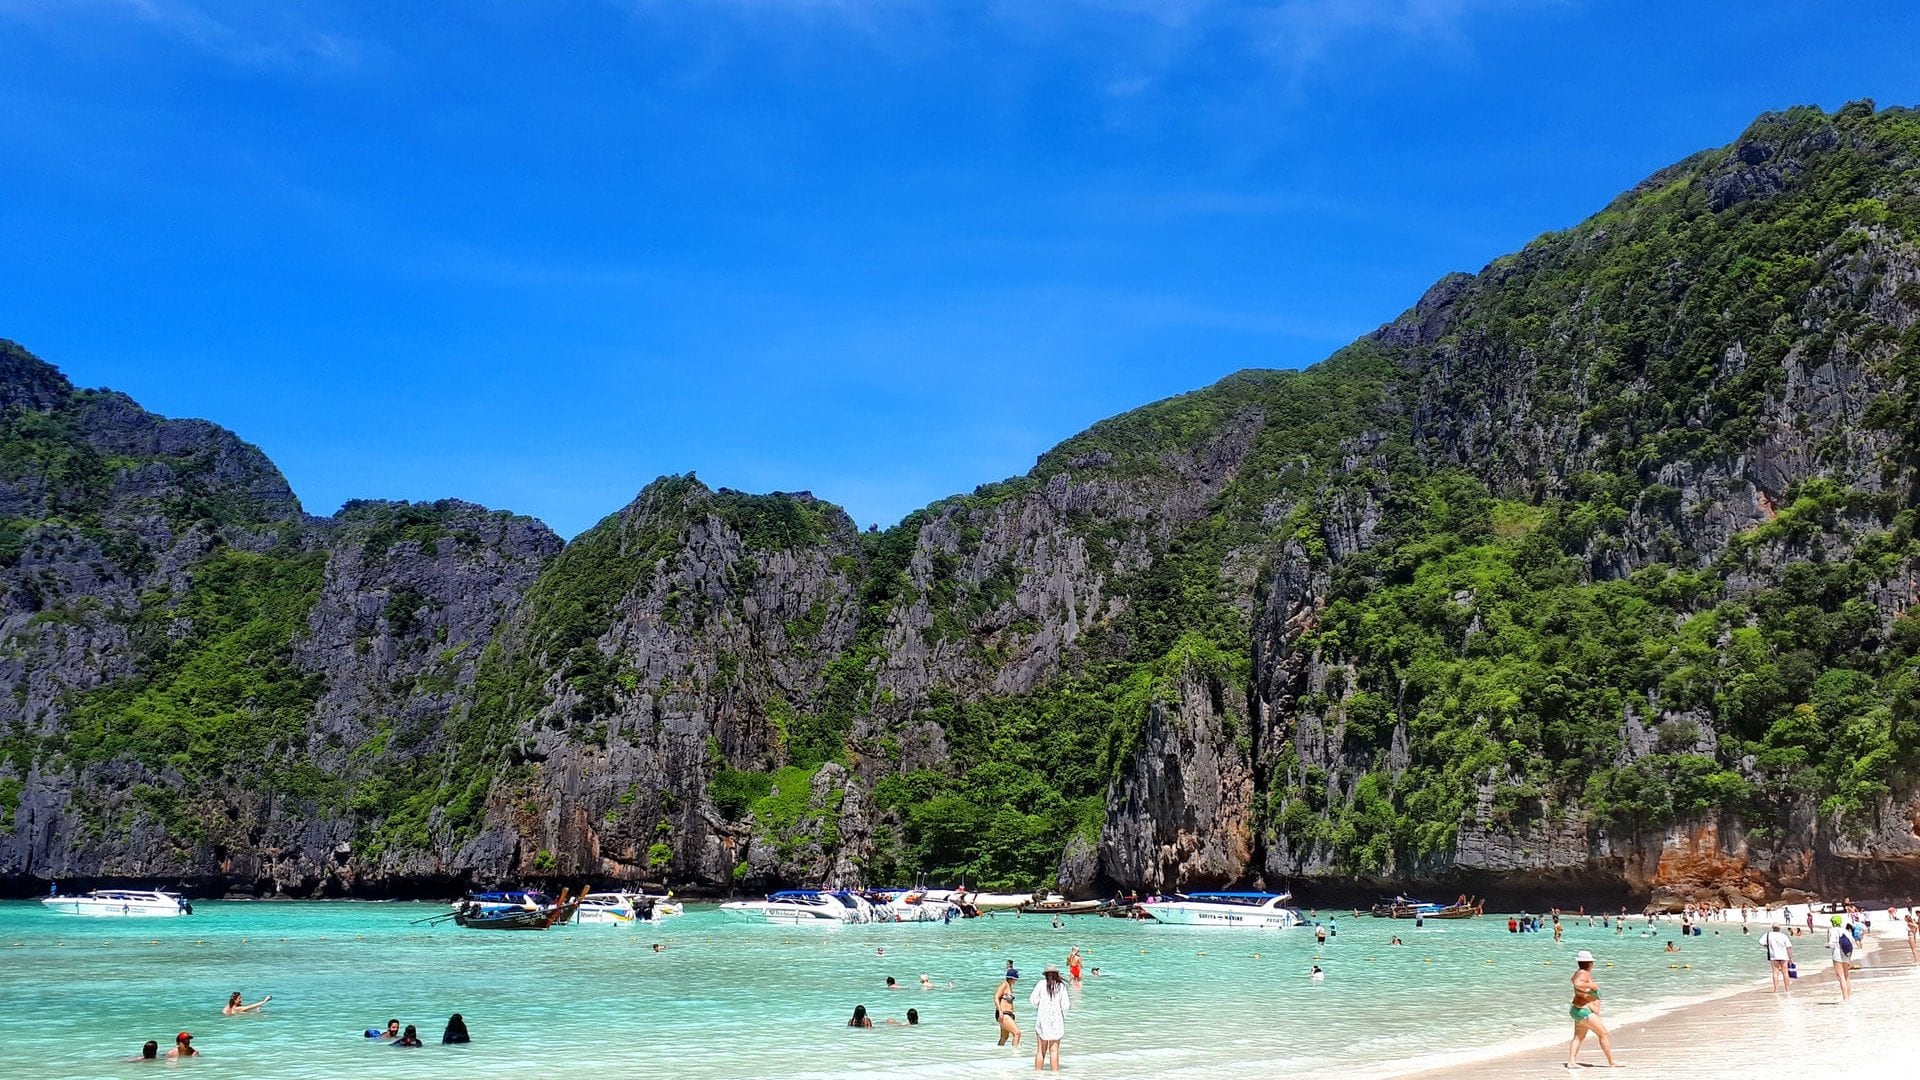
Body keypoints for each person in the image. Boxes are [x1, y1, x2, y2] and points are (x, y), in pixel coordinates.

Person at [1566, 951, 1618, 1069]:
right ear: (1589, 963)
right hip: (1584, 1011)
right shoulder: (1583, 973)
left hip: (1578, 1009)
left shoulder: (1579, 973)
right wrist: (1592, 986)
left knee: (1578, 1037)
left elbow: (1574, 981)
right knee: (1603, 1033)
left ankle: (1571, 1061)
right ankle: (1612, 1061)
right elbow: (1576, 983)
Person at [1030, 964, 1071, 1072]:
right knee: (1054, 1051)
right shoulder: (1061, 986)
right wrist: (1062, 1016)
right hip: (1056, 1020)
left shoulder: (1041, 984)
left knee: (1040, 1051)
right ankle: (1055, 1076)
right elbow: (1066, 1005)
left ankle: (1038, 1075)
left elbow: (1033, 1000)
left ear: (1046, 975)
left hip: (1042, 1020)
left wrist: (1040, 1005)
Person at [1828, 915, 1855, 1002]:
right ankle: (1849, 997)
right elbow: (1851, 942)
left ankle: (1845, 998)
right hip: (1846, 954)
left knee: (1841, 976)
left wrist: (1826, 945)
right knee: (1846, 976)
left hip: (1837, 955)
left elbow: (1832, 944)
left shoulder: (1832, 930)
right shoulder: (1845, 930)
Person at [994, 969, 1022, 1048]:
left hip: (1008, 1014)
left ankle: (999, 1052)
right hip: (1003, 1013)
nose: (1015, 981)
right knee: (1017, 1033)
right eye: (1015, 979)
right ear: (1011, 978)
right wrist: (1000, 1011)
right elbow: (996, 997)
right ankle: (1015, 1053)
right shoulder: (1004, 984)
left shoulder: (1009, 986)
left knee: (1004, 1037)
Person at [1761, 924, 1793, 992]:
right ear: (1779, 928)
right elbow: (1789, 947)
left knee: (1775, 973)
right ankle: (1787, 989)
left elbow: (1761, 942)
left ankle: (1776, 989)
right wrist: (1790, 958)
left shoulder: (1768, 934)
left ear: (1772, 928)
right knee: (1785, 972)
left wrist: (1768, 947)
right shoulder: (1783, 936)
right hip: (1784, 956)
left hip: (1774, 956)